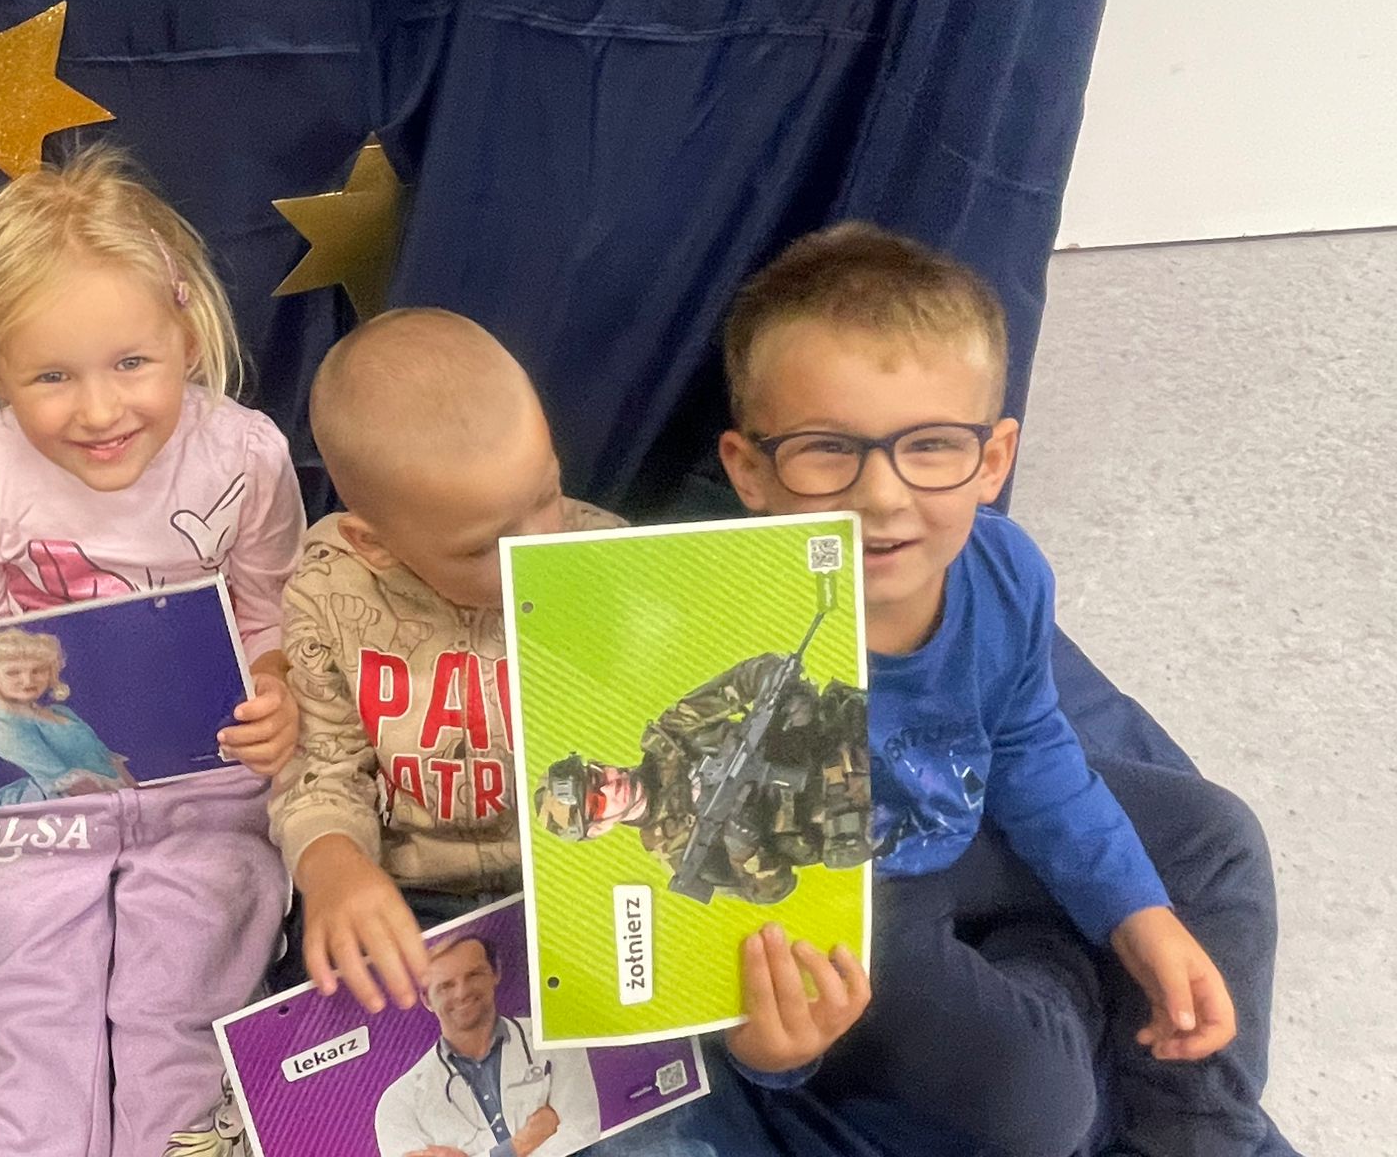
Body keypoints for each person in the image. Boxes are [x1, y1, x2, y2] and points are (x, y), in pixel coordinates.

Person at [709, 222, 1295, 1156]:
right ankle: (1054, 963)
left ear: (993, 460)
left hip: (968, 820)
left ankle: (1197, 1133)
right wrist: (770, 1055)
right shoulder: (715, 626)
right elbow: (695, 873)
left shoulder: (1007, 569)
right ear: (750, 470)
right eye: (826, 450)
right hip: (855, 900)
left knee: (1216, 839)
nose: (882, 495)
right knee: (1041, 1111)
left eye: (930, 445)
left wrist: (1137, 912)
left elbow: (1029, 750)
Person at [0, 145, 305, 1157]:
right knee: (15, 977)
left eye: (131, 363)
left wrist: (275, 694)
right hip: (37, 778)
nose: (98, 410)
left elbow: (271, 614)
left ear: (186, 337)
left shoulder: (246, 453)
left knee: (194, 961)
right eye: (50, 377)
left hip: (210, 768)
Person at [271, 308, 720, 1156]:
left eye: (545, 494)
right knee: (331, 1074)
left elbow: (666, 756)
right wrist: (331, 864)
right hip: (412, 901)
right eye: (486, 544)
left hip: (575, 889)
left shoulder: (611, 560)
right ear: (374, 542)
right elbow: (322, 769)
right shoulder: (331, 591)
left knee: (647, 1124)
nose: (537, 541)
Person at [532, 651, 874, 905]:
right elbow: (771, 891)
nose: (609, 784)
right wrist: (744, 849)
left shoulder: (672, 734)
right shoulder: (682, 854)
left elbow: (746, 678)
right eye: (597, 800)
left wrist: (787, 694)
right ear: (598, 829)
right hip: (846, 812)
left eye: (595, 775)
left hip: (838, 739)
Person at [374, 934, 601, 1157]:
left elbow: (582, 1135)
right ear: (427, 999)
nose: (462, 992)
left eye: (473, 975)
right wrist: (521, 1144)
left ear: (495, 974)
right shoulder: (399, 1103)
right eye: (445, 986)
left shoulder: (554, 1038)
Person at [0, 625, 131, 805]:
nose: (28, 680)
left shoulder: (61, 712)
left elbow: (109, 761)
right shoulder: (0, 725)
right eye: (13, 673)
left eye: (37, 670)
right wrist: (120, 804)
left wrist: (138, 797)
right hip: (65, 807)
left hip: (115, 798)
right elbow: (67, 783)